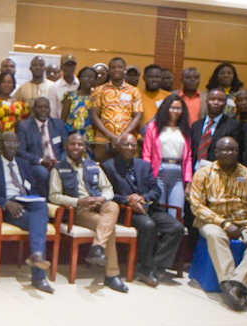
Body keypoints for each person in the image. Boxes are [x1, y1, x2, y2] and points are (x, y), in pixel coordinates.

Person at [188, 136, 247, 311]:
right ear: (216, 152)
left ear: (238, 153)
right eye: (224, 149)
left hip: (244, 223)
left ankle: (237, 282)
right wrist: (224, 224)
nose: (228, 153)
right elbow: (196, 205)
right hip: (212, 221)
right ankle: (225, 281)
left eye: (232, 150)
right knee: (214, 234)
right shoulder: (203, 173)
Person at [103, 132, 186, 287]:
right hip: (126, 211)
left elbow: (156, 190)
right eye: (126, 144)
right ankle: (144, 268)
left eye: (133, 145)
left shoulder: (144, 165)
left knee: (177, 227)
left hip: (149, 206)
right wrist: (128, 200)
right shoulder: (108, 166)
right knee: (148, 225)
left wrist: (143, 198)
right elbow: (108, 194)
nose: (130, 147)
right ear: (118, 146)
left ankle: (157, 266)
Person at [0, 133, 53, 292]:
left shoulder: (24, 164)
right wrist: (5, 203)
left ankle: (37, 256)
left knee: (41, 207)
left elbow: (31, 188)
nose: (12, 146)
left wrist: (30, 199)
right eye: (8, 142)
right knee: (39, 224)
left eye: (15, 142)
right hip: (6, 208)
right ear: (1, 144)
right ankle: (39, 276)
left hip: (26, 202)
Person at [49, 133, 123, 283]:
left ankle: (97, 248)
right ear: (66, 146)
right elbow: (54, 196)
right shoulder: (58, 168)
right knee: (109, 228)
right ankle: (112, 275)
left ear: (84, 147)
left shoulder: (93, 166)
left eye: (80, 144)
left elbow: (108, 189)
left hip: (100, 205)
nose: (76, 147)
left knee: (113, 206)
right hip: (80, 211)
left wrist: (102, 198)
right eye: (72, 144)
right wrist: (78, 201)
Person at [141, 95, 193, 213]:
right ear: (165, 108)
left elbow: (188, 157)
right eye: (172, 107)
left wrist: (188, 181)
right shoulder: (153, 127)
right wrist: (147, 176)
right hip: (158, 171)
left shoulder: (185, 128)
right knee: (159, 210)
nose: (175, 111)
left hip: (178, 173)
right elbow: (147, 154)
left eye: (178, 108)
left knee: (178, 211)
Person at [91, 57, 142, 156]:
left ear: (125, 70)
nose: (117, 70)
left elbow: (137, 117)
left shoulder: (134, 91)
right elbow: (94, 116)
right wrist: (111, 136)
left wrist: (122, 137)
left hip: (127, 140)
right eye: (113, 67)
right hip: (103, 139)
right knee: (102, 169)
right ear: (109, 71)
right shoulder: (99, 90)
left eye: (120, 67)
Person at [190, 88, 242, 168]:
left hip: (220, 173)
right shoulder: (196, 125)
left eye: (220, 100)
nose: (215, 102)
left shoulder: (233, 126)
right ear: (206, 101)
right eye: (212, 99)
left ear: (225, 103)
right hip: (195, 171)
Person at [18, 97, 67, 171]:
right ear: (33, 110)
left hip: (58, 162)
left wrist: (60, 162)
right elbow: (21, 152)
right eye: (39, 107)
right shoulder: (24, 126)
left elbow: (66, 147)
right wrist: (41, 161)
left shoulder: (58, 124)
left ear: (50, 109)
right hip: (37, 164)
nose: (43, 110)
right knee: (42, 172)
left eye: (46, 107)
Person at [63, 66, 100, 140]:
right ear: (79, 78)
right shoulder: (70, 96)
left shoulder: (97, 98)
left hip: (90, 136)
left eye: (92, 77)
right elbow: (63, 118)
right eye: (85, 77)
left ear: (96, 80)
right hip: (71, 134)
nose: (88, 80)